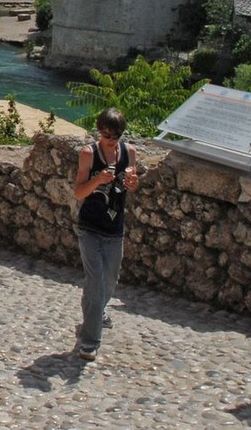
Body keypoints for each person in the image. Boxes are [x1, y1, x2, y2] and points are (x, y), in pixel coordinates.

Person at [72, 107, 140, 362]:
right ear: (99, 131)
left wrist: (133, 183)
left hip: (115, 228)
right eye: (106, 135)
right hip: (89, 227)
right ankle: (90, 341)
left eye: (115, 136)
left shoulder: (129, 152)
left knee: (110, 280)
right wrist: (97, 180)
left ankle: (96, 310)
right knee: (95, 280)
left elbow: (130, 183)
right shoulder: (89, 154)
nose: (110, 140)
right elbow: (79, 193)